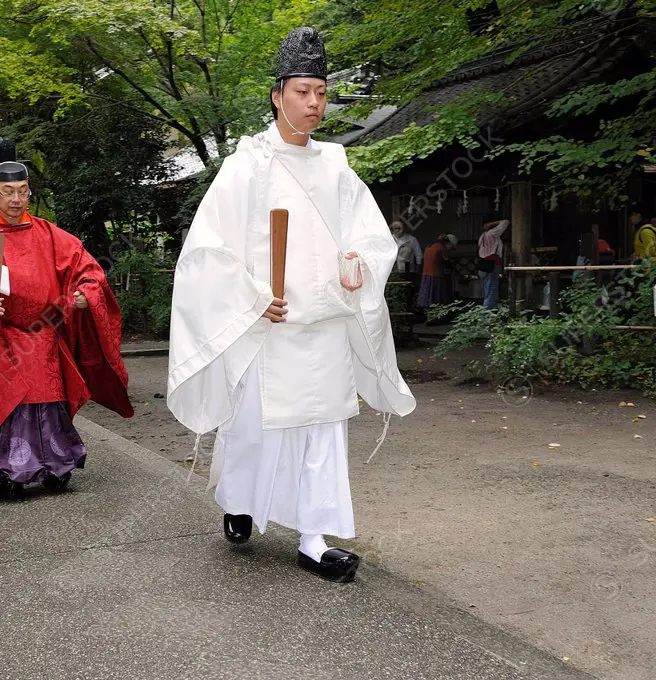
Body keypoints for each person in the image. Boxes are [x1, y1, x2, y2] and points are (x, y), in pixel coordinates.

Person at [165, 27, 415, 584]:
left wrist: (360, 265)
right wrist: (252, 299)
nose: (314, 103)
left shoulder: (335, 165)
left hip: (324, 321)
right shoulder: (246, 165)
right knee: (257, 429)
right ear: (278, 96)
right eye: (303, 91)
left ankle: (313, 537)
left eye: (322, 93)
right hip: (269, 326)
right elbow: (208, 247)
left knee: (323, 428)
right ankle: (240, 504)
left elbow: (372, 238)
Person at [0, 161, 133, 498]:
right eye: (7, 192)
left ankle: (58, 465)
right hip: (4, 334)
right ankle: (10, 470)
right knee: (11, 405)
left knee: (50, 402)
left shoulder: (48, 233)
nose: (15, 199)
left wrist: (86, 293)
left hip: (44, 333)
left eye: (22, 191)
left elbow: (86, 268)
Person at [417, 233, 457, 310]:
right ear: (448, 243)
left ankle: (428, 314)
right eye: (451, 248)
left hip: (426, 273)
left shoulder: (431, 245)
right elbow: (446, 261)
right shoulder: (441, 248)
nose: (450, 250)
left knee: (427, 298)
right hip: (436, 275)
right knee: (436, 298)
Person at [477, 218, 510, 309]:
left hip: (483, 264)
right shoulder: (492, 233)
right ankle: (486, 318)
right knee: (491, 292)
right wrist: (494, 222)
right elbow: (505, 222)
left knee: (488, 292)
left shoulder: (482, 236)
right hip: (491, 264)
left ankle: (491, 316)